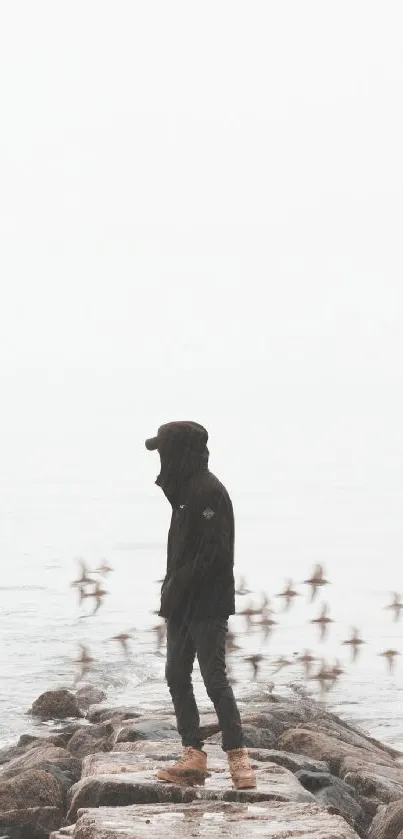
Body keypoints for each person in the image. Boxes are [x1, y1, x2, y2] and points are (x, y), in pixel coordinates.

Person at [145, 420, 256, 789]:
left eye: (163, 451)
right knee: (176, 674)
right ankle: (192, 753)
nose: (160, 460)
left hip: (207, 603)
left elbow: (216, 553)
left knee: (214, 678)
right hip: (180, 602)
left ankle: (239, 758)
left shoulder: (209, 491)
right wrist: (174, 589)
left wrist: (178, 584)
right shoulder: (184, 492)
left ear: (180, 452)